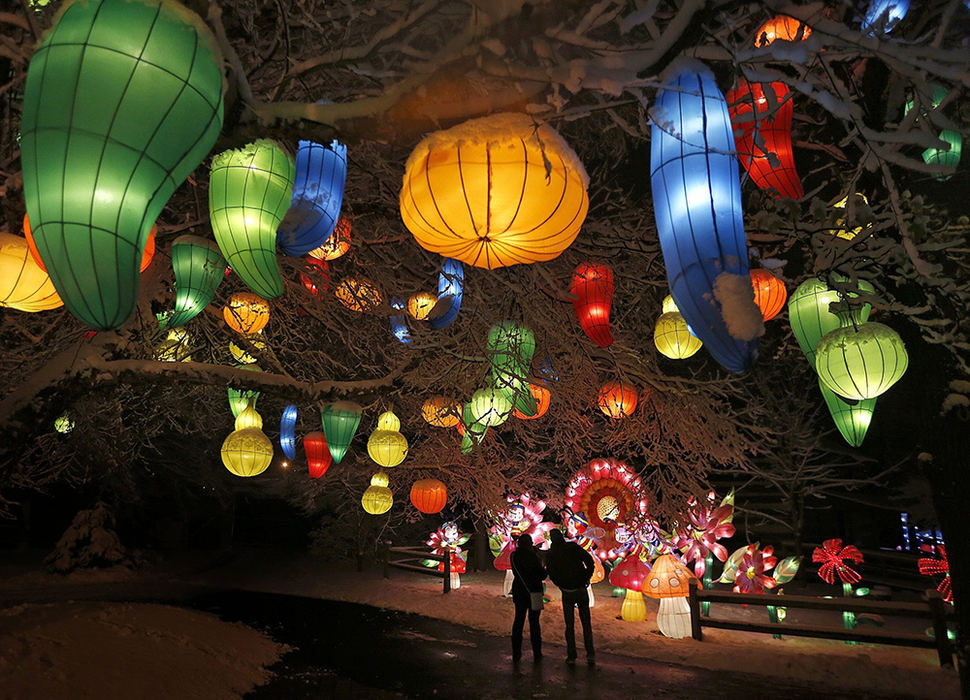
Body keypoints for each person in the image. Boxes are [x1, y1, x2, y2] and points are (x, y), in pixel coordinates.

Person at [546, 528, 596, 665]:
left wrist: (561, 585)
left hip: (567, 591)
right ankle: (590, 652)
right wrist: (586, 577)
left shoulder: (552, 554)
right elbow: (589, 561)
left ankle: (572, 655)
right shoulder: (572, 547)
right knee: (586, 622)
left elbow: (551, 573)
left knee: (569, 625)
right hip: (580, 589)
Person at [509, 533, 546, 662]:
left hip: (519, 591)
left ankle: (516, 652)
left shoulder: (514, 556)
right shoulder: (533, 557)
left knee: (518, 620)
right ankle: (537, 652)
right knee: (534, 623)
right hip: (534, 592)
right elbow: (541, 575)